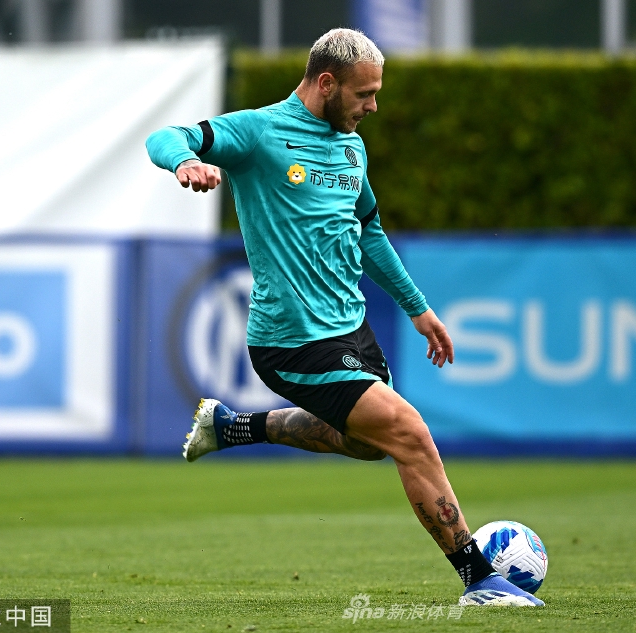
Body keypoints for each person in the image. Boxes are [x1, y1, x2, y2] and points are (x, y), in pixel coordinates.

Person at [145, 28, 542, 608]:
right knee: (409, 432)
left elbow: (369, 231)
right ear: (326, 83)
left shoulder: (352, 147)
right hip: (291, 341)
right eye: (365, 94)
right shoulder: (260, 133)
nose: (373, 106)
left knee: (368, 444)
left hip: (352, 332)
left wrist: (418, 308)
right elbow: (166, 136)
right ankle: (479, 579)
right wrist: (185, 161)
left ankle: (233, 427)